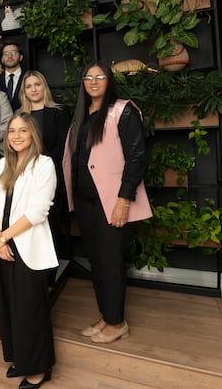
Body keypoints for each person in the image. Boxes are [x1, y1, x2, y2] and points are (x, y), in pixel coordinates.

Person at [62, 61, 151, 344]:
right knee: (97, 261)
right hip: (85, 201)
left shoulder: (122, 111)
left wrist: (124, 200)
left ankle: (117, 322)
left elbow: (137, 158)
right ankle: (107, 315)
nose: (94, 81)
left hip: (111, 202)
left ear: (109, 81)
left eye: (100, 76)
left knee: (111, 262)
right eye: (89, 77)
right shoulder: (80, 116)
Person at [0, 112, 58, 388]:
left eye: (23, 131)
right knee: (11, 308)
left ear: (33, 135)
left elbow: (38, 210)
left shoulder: (44, 165)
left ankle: (39, 368)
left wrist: (3, 237)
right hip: (2, 243)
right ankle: (21, 359)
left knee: (31, 310)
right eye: (13, 131)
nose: (17, 136)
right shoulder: (4, 163)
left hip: (27, 244)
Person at [20, 70, 69, 286]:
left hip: (51, 176)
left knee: (51, 226)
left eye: (37, 84)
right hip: (25, 179)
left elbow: (62, 146)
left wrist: (39, 163)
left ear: (44, 87)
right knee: (28, 224)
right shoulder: (20, 116)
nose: (33, 89)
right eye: (29, 86)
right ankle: (32, 274)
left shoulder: (58, 112)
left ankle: (49, 279)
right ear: (24, 91)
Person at [0, 41, 24, 111]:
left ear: (21, 57)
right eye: (6, 54)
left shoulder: (29, 78)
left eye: (14, 52)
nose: (10, 56)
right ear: (2, 59)